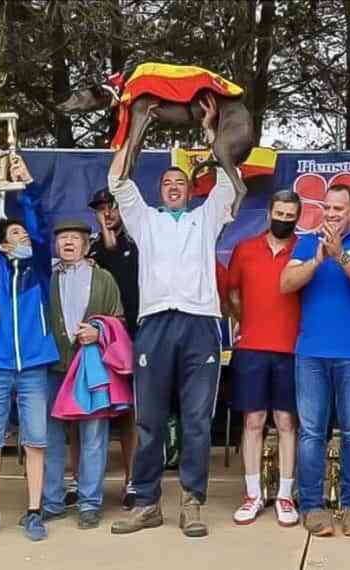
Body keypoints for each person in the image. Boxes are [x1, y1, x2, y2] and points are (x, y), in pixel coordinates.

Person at [109, 93, 231, 538]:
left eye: (180, 182)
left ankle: (192, 502)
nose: (174, 186)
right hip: (156, 323)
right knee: (150, 419)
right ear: (159, 191)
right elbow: (120, 183)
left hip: (200, 323)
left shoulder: (207, 217)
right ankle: (146, 503)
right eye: (166, 183)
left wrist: (211, 131)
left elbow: (228, 185)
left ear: (190, 190)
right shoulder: (145, 221)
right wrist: (135, 128)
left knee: (199, 420)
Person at [0, 158, 60, 542]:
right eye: (14, 234)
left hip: (35, 365)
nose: (21, 238)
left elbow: (41, 228)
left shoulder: (39, 268)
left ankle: (34, 511)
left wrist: (26, 188)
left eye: (23, 233)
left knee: (36, 438)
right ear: (2, 246)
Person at [280, 184, 350, 538]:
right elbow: (286, 283)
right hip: (311, 353)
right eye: (327, 208)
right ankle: (311, 505)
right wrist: (318, 259)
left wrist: (341, 256)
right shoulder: (308, 242)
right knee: (311, 433)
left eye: (339, 208)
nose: (331, 214)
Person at [40, 218, 126, 530]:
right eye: (63, 238)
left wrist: (97, 328)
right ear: (55, 244)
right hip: (51, 367)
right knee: (49, 436)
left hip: (90, 368)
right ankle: (51, 501)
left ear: (87, 244)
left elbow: (119, 319)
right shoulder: (44, 277)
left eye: (75, 238)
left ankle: (90, 503)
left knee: (93, 436)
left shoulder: (104, 279)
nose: (68, 243)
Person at [226, 190, 303, 527]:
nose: (283, 220)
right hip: (252, 347)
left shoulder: (305, 249)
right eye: (279, 213)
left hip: (292, 349)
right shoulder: (244, 249)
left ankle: (285, 495)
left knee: (286, 422)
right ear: (269, 212)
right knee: (253, 421)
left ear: (298, 217)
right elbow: (232, 293)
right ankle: (253, 494)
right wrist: (248, 323)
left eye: (290, 216)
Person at [86, 188, 139, 509]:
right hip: (96, 341)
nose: (107, 212)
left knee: (130, 413)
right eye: (101, 208)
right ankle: (85, 483)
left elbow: (117, 250)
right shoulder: (90, 249)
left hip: (131, 338)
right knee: (90, 410)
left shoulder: (139, 244)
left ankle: (133, 481)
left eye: (112, 206)